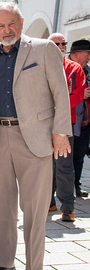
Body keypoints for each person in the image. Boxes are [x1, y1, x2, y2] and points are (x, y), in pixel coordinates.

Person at [0, 2, 71, 270]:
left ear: (21, 22)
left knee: (35, 208)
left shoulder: (42, 50)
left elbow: (60, 93)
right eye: (1, 26)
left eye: (12, 24)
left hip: (36, 139)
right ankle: (3, 264)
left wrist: (61, 133)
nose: (7, 30)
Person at [47, 33, 85, 220]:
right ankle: (48, 202)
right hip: (43, 123)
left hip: (64, 122)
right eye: (56, 43)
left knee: (64, 166)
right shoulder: (40, 66)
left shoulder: (74, 68)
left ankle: (67, 208)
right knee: (45, 166)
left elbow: (78, 95)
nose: (61, 46)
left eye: (63, 43)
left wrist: (56, 105)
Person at [68, 39, 90, 198]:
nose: (88, 57)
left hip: (85, 122)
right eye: (87, 54)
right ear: (76, 54)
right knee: (64, 160)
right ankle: (63, 189)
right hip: (69, 121)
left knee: (80, 156)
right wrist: (81, 95)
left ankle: (76, 185)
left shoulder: (88, 71)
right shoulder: (65, 69)